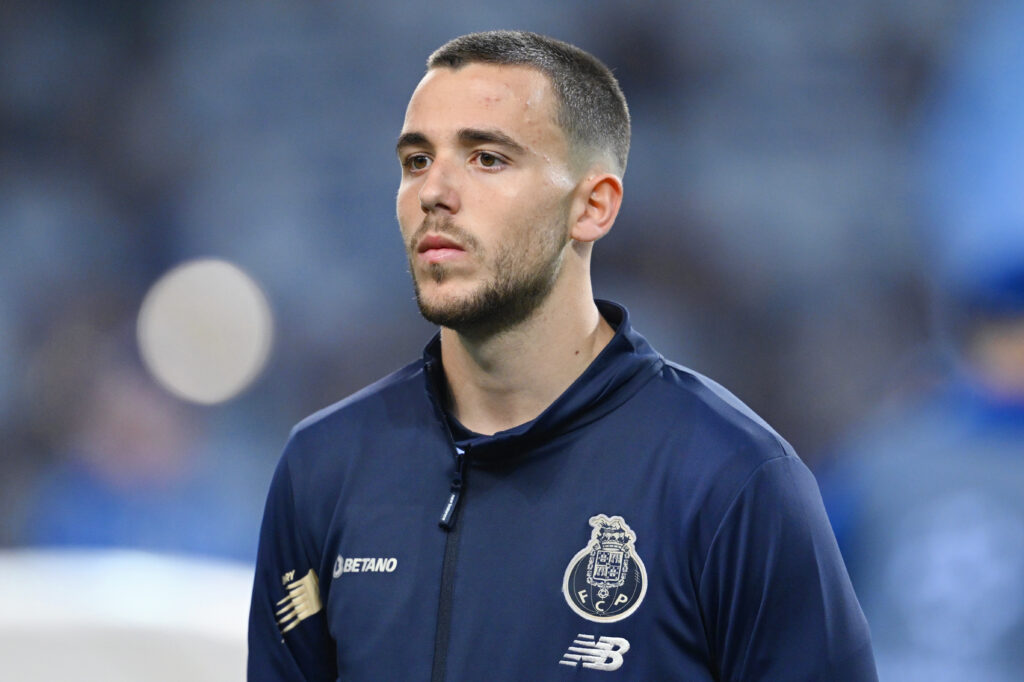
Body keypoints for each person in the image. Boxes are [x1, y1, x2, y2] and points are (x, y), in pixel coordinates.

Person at [248, 30, 876, 681]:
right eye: (415, 161)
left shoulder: (734, 481)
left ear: (593, 206)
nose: (434, 191)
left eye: (487, 158)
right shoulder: (324, 468)